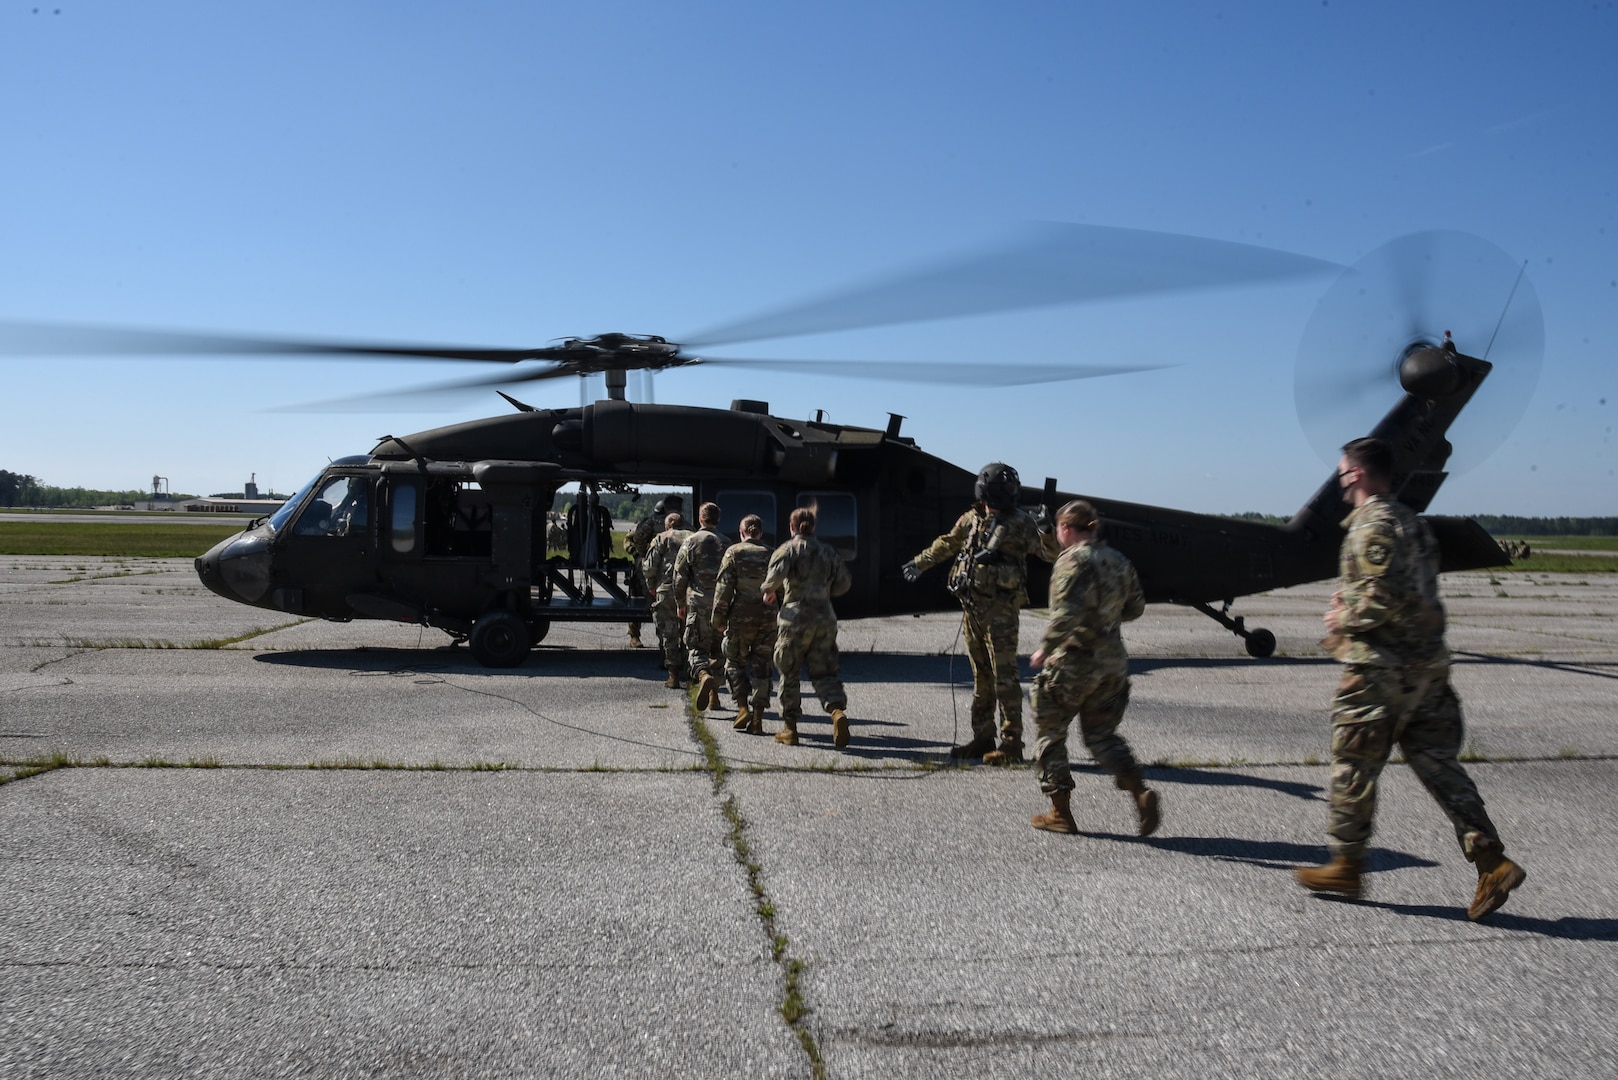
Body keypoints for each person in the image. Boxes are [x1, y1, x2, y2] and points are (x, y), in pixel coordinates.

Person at [1294, 436, 1527, 920]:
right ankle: (1492, 861)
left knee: (1352, 764)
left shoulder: (1373, 526)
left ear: (1356, 474)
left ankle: (1347, 864)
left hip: (1381, 671)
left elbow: (1385, 596)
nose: (1339, 479)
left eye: (1341, 472)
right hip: (1428, 669)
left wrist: (1343, 617)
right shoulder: (1414, 524)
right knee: (1438, 764)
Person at [901, 462, 1059, 763]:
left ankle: (1012, 744)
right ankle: (983, 737)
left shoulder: (1021, 522)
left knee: (1005, 677)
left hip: (1001, 611)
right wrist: (920, 562)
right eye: (1001, 490)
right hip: (972, 607)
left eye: (1008, 489)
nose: (1005, 495)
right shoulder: (972, 518)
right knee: (981, 676)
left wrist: (1047, 530)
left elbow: (1049, 553)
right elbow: (949, 542)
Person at [1026, 500, 1158, 836]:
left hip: (1074, 661)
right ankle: (1139, 793)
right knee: (1101, 736)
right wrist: (1106, 618)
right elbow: (1137, 607)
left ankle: (1060, 813)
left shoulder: (1071, 560)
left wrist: (1045, 648)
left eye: (1058, 530)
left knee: (1050, 734)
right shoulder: (1119, 560)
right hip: (1113, 662)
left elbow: (1065, 614)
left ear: (1066, 529)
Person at [762, 507, 852, 748]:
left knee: (789, 672)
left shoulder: (787, 550)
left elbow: (774, 578)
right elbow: (844, 583)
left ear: (791, 527)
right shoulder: (829, 552)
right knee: (825, 671)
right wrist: (823, 592)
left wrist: (769, 591)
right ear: (813, 527)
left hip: (795, 618)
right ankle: (836, 712)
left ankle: (790, 729)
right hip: (824, 618)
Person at [712, 513, 777, 735]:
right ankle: (758, 718)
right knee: (763, 668)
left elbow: (723, 591)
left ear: (741, 533)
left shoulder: (733, 553)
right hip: (767, 620)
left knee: (734, 663)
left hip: (739, 619)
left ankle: (742, 707)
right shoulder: (772, 554)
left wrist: (718, 620)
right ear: (760, 532)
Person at [674, 502, 730, 711]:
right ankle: (715, 696)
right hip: (720, 606)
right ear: (718, 520)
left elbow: (679, 576)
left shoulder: (690, 542)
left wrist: (680, 603)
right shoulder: (726, 543)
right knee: (718, 651)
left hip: (697, 603)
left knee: (696, 647)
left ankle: (703, 675)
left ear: (700, 519)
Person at [626, 494, 683, 652]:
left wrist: (646, 556)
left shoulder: (651, 522)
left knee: (657, 607)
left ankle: (663, 648)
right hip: (673, 573)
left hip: (654, 572)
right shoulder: (685, 525)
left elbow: (637, 538)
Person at [643, 511, 692, 690]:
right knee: (690, 633)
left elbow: (649, 567)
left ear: (668, 525)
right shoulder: (694, 538)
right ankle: (691, 671)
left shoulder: (661, 538)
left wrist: (651, 586)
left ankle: (673, 676)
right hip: (689, 593)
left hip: (667, 590)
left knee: (669, 634)